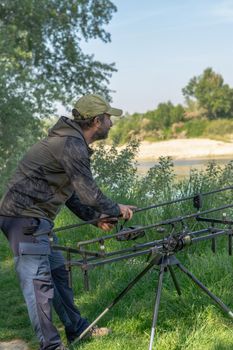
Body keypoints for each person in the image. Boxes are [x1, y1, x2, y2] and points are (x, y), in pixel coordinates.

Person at [0, 94, 135, 350]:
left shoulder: (70, 141)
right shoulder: (70, 144)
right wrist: (118, 208)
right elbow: (89, 193)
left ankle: (78, 330)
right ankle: (51, 346)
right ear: (96, 121)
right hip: (23, 218)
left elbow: (71, 191)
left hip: (36, 219)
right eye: (108, 118)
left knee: (58, 275)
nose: (111, 123)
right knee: (38, 285)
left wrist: (95, 218)